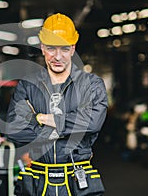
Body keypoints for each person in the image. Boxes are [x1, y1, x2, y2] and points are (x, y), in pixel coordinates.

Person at [6, 13, 108, 196]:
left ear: (73, 48)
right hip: (36, 180)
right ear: (42, 47)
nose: (58, 56)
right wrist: (71, 125)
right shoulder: (28, 86)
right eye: (52, 48)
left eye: (64, 48)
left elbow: (92, 123)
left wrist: (41, 118)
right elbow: (14, 129)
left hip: (78, 179)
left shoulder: (91, 85)